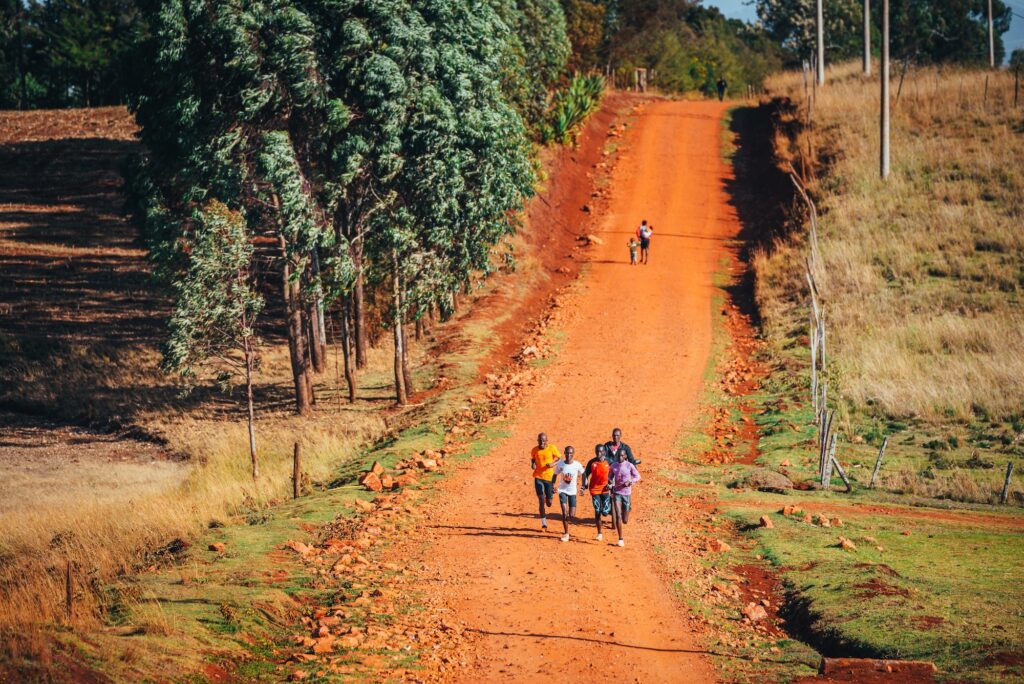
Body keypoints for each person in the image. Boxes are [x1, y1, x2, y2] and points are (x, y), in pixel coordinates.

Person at [609, 447, 641, 547]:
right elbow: (609, 476)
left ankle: (626, 509)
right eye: (618, 455)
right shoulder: (613, 466)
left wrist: (630, 482)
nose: (620, 457)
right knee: (618, 515)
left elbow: (638, 476)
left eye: (622, 455)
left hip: (626, 493)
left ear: (625, 456)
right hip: (617, 492)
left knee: (625, 520)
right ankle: (620, 538)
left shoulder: (629, 465)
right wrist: (610, 481)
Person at [553, 446, 585, 542]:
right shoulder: (561, 464)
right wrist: (552, 486)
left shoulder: (577, 465)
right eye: (567, 453)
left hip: (572, 492)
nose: (568, 455)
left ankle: (568, 521)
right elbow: (554, 475)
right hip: (562, 490)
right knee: (564, 512)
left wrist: (583, 486)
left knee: (571, 515)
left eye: (571, 453)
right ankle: (566, 533)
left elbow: (583, 474)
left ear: (573, 454)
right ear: (564, 453)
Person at [530, 432, 561, 530]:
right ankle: (544, 523)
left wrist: (553, 464)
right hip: (538, 477)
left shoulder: (552, 448)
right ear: (537, 440)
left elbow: (560, 459)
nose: (541, 442)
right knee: (541, 500)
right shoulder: (534, 450)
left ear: (547, 441)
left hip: (549, 479)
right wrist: (533, 465)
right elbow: (533, 459)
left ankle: (550, 495)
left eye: (543, 441)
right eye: (540, 440)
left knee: (549, 503)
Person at [582, 444, 612, 540]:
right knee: (597, 510)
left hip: (605, 489)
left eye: (601, 451)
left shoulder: (609, 462)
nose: (599, 453)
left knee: (605, 513)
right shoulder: (592, 462)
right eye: (597, 451)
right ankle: (599, 533)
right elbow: (585, 474)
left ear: (604, 452)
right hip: (594, 489)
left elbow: (615, 473)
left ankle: (609, 510)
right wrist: (584, 485)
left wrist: (611, 484)